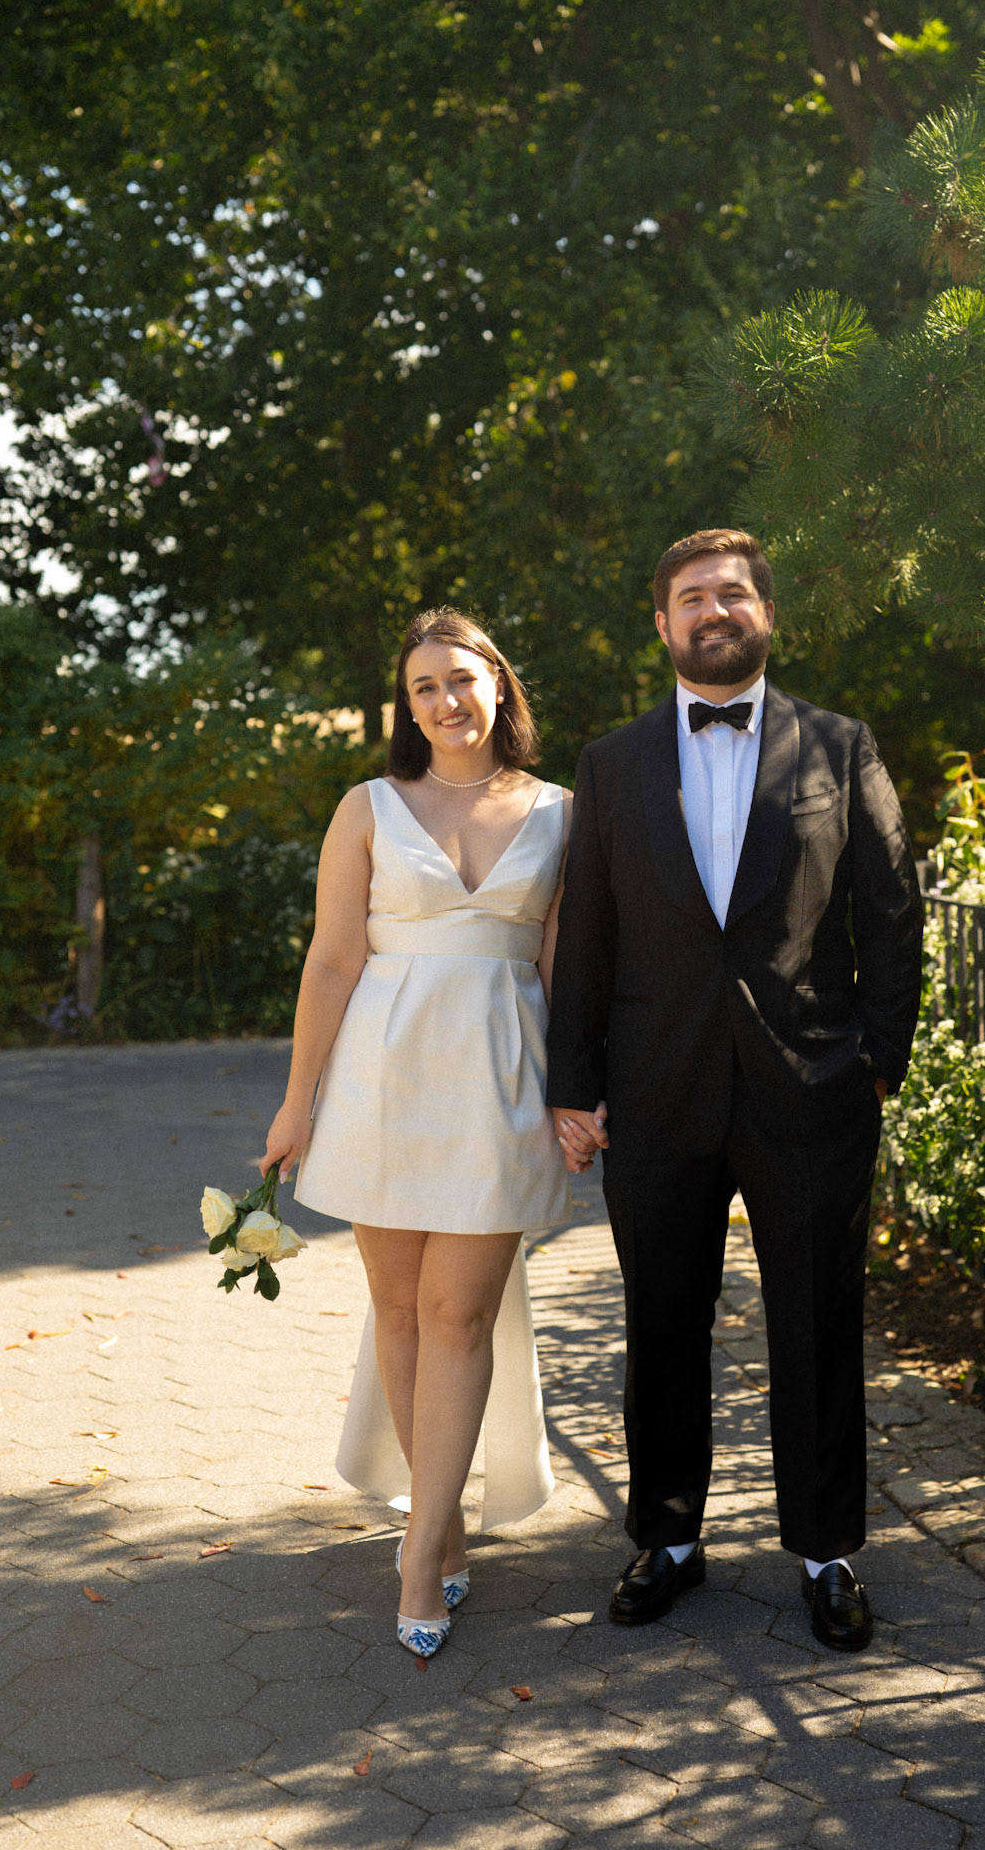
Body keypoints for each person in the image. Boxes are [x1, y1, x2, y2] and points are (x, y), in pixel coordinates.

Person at [547, 529, 922, 1650]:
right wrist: (573, 1080)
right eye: (691, 596)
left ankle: (826, 1549)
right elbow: (589, 938)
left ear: (766, 612)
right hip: (656, 1091)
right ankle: (664, 1537)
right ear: (661, 623)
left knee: (818, 1324)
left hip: (811, 1086)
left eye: (733, 592)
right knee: (662, 1320)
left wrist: (879, 1057)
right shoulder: (609, 764)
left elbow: (892, 907)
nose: (714, 609)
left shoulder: (839, 744)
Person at [259, 609, 572, 1659]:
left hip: (502, 1079)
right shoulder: (366, 805)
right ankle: (434, 1535)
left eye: (462, 678)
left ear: (499, 686)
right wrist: (298, 1100)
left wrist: (579, 1094)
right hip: (380, 1080)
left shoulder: (563, 811)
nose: (444, 699)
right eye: (423, 686)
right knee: (399, 1307)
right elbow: (332, 961)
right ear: (409, 705)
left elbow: (565, 974)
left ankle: (421, 1545)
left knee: (461, 1311)